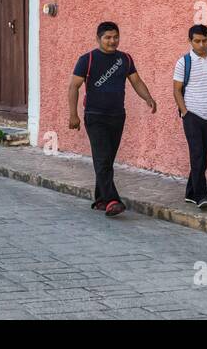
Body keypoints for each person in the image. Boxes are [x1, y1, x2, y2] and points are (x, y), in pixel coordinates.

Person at [67, 21, 157, 217]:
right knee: (102, 159)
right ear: (98, 39)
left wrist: (148, 98)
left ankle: (100, 198)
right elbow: (74, 86)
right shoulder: (87, 59)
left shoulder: (125, 59)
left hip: (117, 116)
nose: (112, 41)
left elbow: (136, 81)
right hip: (95, 116)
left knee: (106, 159)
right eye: (107, 37)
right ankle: (112, 200)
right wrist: (73, 115)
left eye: (115, 37)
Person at [172, 24, 207, 209]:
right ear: (190, 41)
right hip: (193, 115)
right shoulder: (183, 62)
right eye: (197, 41)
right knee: (197, 154)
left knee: (203, 155)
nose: (201, 44)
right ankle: (201, 195)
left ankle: (190, 192)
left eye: (204, 40)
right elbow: (177, 89)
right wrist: (185, 112)